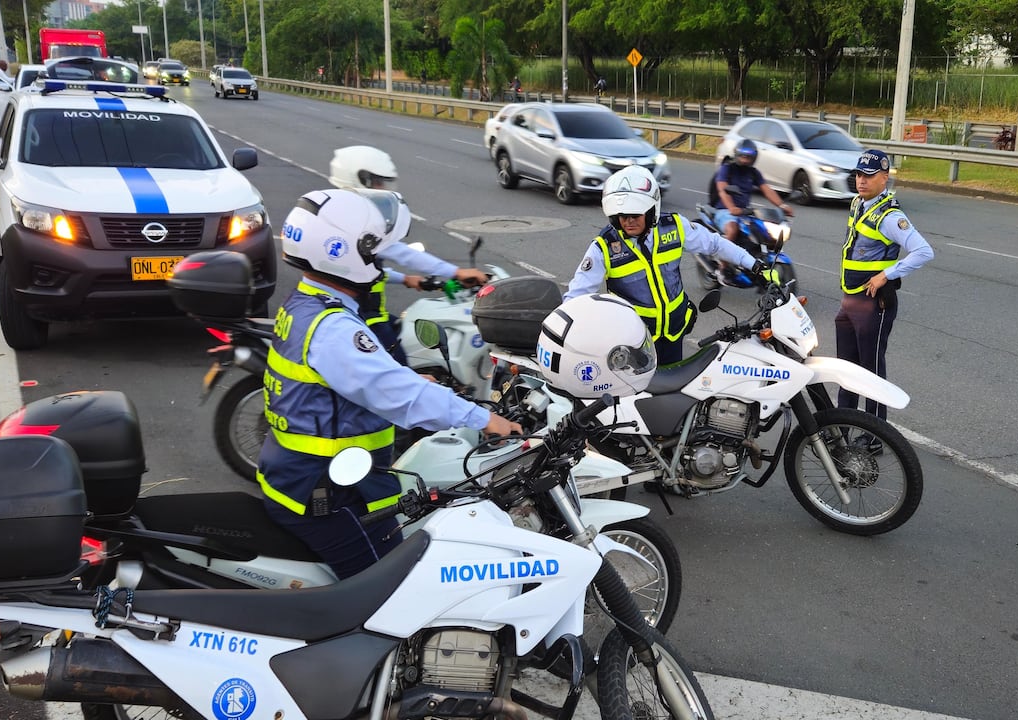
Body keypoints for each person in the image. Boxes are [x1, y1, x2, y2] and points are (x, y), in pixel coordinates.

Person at [259, 188, 522, 579]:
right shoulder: (334, 328)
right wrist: (483, 420)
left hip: (306, 476)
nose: (378, 257)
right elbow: (401, 396)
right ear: (342, 253)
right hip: (329, 493)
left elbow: (351, 381)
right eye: (371, 250)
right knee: (390, 589)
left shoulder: (308, 305)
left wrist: (411, 377)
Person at [564, 165, 761, 365]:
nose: (628, 222)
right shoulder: (604, 247)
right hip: (634, 342)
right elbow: (576, 297)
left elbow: (715, 244)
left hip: (674, 333)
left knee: (674, 390)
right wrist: (565, 334)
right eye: (622, 216)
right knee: (637, 394)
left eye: (635, 215)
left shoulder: (674, 226)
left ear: (651, 211)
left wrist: (754, 265)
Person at [328, 145, 489, 364]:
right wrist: (456, 272)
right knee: (399, 364)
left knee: (409, 331)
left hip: (365, 309)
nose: (383, 187)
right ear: (359, 179)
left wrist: (405, 279)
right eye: (378, 181)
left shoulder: (341, 210)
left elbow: (365, 268)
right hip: (360, 313)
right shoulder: (354, 220)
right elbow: (402, 253)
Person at [835, 149, 934, 434]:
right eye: (858, 175)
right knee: (846, 371)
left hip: (873, 304)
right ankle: (841, 431)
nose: (861, 181)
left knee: (871, 374)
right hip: (850, 299)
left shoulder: (890, 216)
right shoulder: (857, 203)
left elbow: (924, 251)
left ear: (884, 178)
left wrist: (886, 275)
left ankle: (875, 435)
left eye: (869, 176)